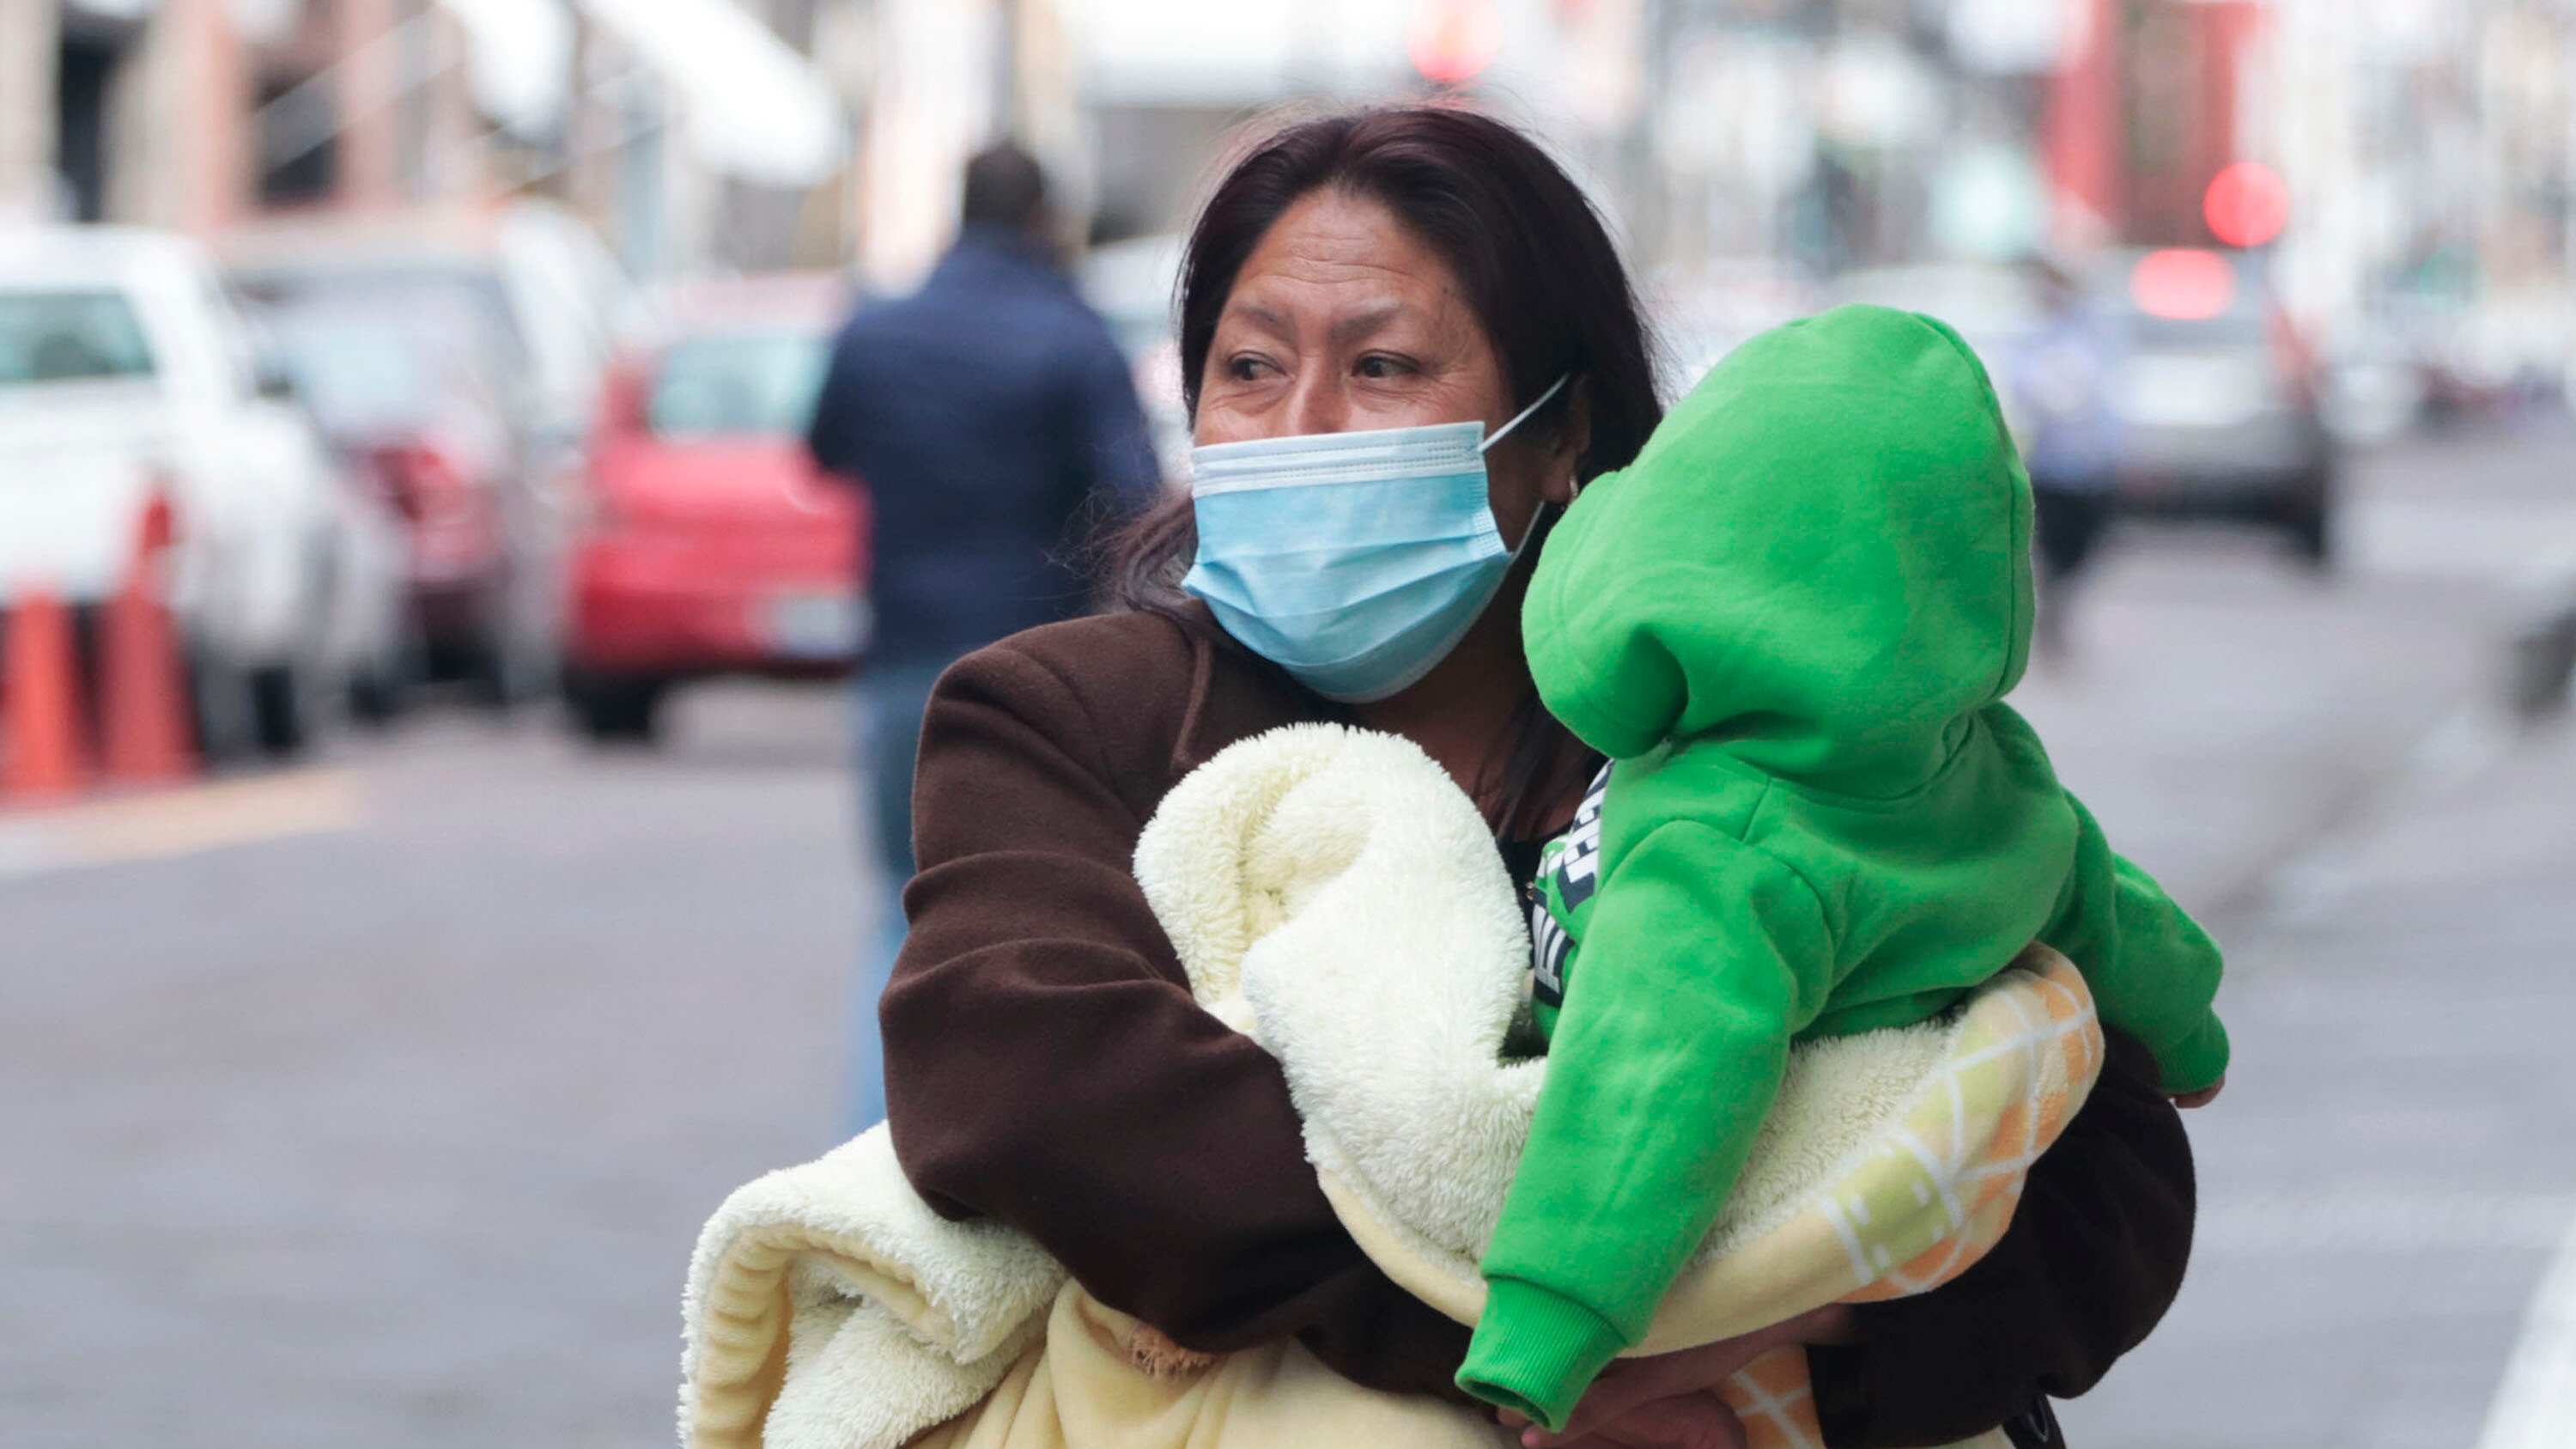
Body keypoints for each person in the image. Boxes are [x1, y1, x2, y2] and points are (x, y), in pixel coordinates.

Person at [883, 107, 2197, 1449]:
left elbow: (2107, 1189)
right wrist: (1542, 1349)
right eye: (1250, 368)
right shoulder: (1064, 717)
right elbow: (1039, 1096)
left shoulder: (1766, 741)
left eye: (1383, 366)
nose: (1302, 428)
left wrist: (1793, 1327)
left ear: (1561, 432)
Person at [1456, 304, 2230, 1433]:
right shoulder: (1993, 772)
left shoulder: (1730, 846)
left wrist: (1546, 1320)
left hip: (1726, 1352)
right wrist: (2192, 1031)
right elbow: (2112, 913)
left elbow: (1651, 1079)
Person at [804, 143, 1162, 1131]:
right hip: (1033, 677)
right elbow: (1132, 498)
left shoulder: (879, 329)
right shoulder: (1072, 337)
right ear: (1043, 218)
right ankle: (997, 1158)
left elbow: (823, 447)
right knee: (1032, 925)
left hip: (899, 660)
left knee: (898, 908)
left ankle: (864, 1149)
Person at [2011, 257, 2123, 656]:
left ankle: (2062, 599)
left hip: (2091, 465)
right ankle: (2052, 609)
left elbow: (2113, 396)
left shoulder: (2094, 334)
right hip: (2049, 463)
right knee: (2050, 543)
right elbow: (2022, 388)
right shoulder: (2033, 336)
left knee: (2087, 546)